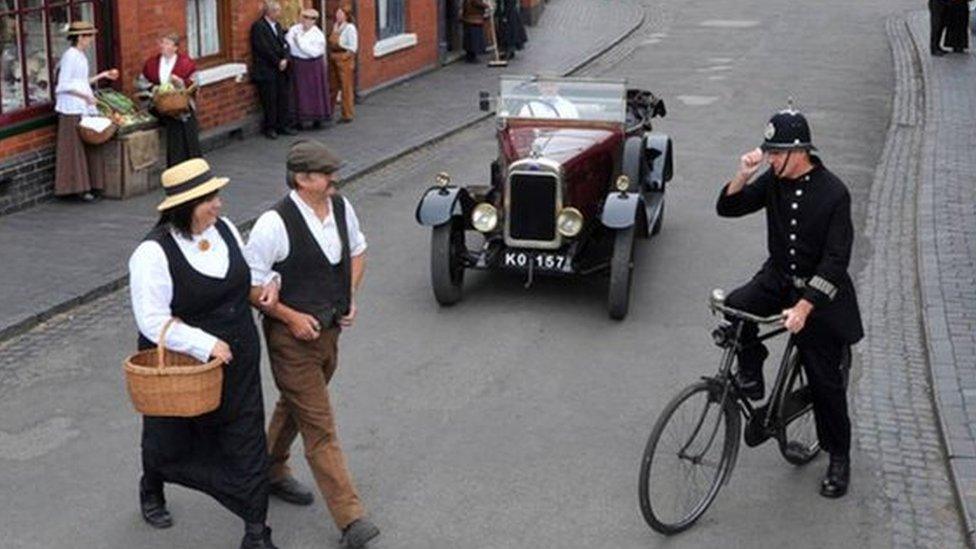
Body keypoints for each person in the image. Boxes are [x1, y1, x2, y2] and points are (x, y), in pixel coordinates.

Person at [128, 158, 280, 549]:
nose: (218, 205)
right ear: (182, 208)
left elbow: (247, 274)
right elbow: (151, 320)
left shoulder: (225, 229)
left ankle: (255, 531)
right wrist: (204, 343)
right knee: (169, 439)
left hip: (239, 356)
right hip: (185, 365)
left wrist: (269, 284)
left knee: (245, 435)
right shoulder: (152, 253)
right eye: (208, 199)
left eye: (216, 195)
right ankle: (153, 484)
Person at [715, 108, 863, 499]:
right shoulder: (775, 181)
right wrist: (744, 173)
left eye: (775, 153)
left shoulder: (834, 193)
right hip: (778, 277)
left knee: (824, 381)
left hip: (820, 293)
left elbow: (835, 261)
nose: (769, 158)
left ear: (800, 152)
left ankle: (838, 457)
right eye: (767, 152)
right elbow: (729, 207)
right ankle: (752, 371)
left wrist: (805, 307)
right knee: (735, 306)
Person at [245, 140, 379, 549]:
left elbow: (358, 251)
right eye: (326, 174)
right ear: (303, 179)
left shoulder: (341, 207)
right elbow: (250, 284)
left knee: (298, 403)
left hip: (330, 332)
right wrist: (288, 316)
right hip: (291, 340)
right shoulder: (273, 223)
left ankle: (268, 468)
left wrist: (350, 295)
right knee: (320, 426)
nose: (335, 179)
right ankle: (351, 519)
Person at [53, 21, 119, 202]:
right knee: (74, 148)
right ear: (80, 37)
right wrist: (85, 97)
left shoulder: (81, 55)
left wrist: (103, 75)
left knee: (89, 144)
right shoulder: (70, 56)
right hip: (72, 107)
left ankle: (90, 185)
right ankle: (76, 188)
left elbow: (80, 81)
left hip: (83, 105)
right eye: (89, 36)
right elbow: (63, 85)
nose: (91, 39)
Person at [137, 32, 202, 166]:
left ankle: (192, 160)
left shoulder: (186, 63)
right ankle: (178, 162)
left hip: (180, 102)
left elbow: (196, 84)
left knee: (184, 117)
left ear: (175, 47)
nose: (162, 46)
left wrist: (180, 82)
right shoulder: (152, 63)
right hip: (158, 105)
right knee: (175, 119)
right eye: (162, 43)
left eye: (167, 43)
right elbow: (141, 83)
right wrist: (154, 89)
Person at [251, 0, 297, 139]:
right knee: (269, 100)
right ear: (269, 12)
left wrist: (286, 59)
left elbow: (285, 44)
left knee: (282, 97)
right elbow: (263, 48)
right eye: (277, 11)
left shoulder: (277, 26)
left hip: (281, 69)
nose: (279, 14)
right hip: (267, 70)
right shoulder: (259, 27)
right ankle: (270, 128)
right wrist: (277, 61)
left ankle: (282, 125)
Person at [286, 9, 332, 130]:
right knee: (298, 92)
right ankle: (298, 119)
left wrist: (300, 44)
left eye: (309, 18)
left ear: (314, 21)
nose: (306, 20)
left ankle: (317, 118)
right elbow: (289, 44)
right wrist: (299, 47)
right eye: (304, 17)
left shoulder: (318, 35)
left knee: (314, 91)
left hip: (313, 65)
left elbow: (315, 52)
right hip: (298, 64)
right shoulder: (295, 29)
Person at [328, 5, 358, 123]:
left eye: (340, 13)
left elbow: (353, 47)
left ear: (346, 15)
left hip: (344, 58)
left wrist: (345, 57)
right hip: (334, 57)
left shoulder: (350, 28)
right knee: (332, 86)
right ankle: (328, 112)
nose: (338, 15)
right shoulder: (335, 26)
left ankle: (347, 114)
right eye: (337, 13)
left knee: (346, 87)